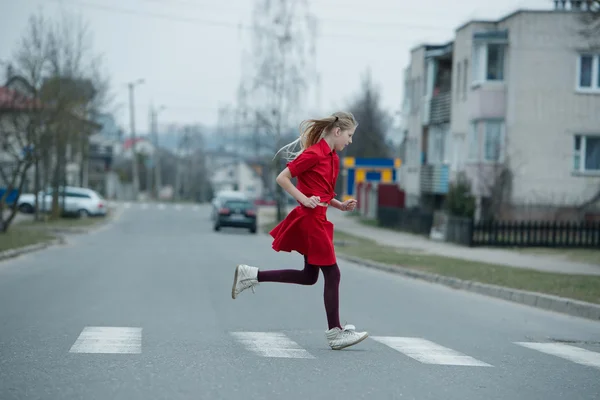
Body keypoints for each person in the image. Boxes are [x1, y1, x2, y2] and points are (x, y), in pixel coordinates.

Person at [230, 111, 369, 351]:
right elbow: (282, 178)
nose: (350, 140)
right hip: (311, 220)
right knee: (333, 274)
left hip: (321, 218)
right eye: (349, 135)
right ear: (337, 132)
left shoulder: (333, 157)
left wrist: (339, 205)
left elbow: (323, 192)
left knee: (309, 276)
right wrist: (304, 199)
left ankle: (250, 275)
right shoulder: (313, 154)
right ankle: (335, 332)